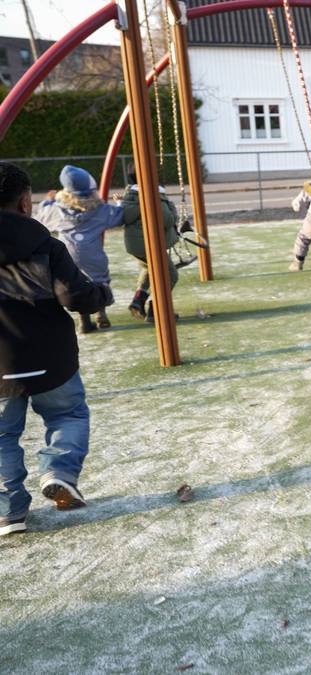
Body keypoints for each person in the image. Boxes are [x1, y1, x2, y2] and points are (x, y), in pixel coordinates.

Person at [0, 162, 112, 536]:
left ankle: (8, 509)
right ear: (24, 203)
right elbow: (76, 296)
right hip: (51, 358)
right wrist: (102, 294)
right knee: (69, 415)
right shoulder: (46, 246)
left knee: (1, 435)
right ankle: (60, 472)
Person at [34, 165, 123, 333]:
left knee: (76, 284)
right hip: (93, 255)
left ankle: (84, 320)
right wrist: (120, 202)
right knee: (100, 280)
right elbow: (119, 215)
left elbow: (41, 218)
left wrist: (47, 201)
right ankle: (101, 313)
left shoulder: (56, 210)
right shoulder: (100, 210)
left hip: (67, 254)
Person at [122, 170, 180, 322]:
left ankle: (138, 299)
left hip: (135, 245)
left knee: (149, 268)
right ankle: (156, 310)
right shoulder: (155, 196)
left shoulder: (129, 196)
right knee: (170, 275)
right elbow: (167, 220)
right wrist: (172, 208)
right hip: (151, 244)